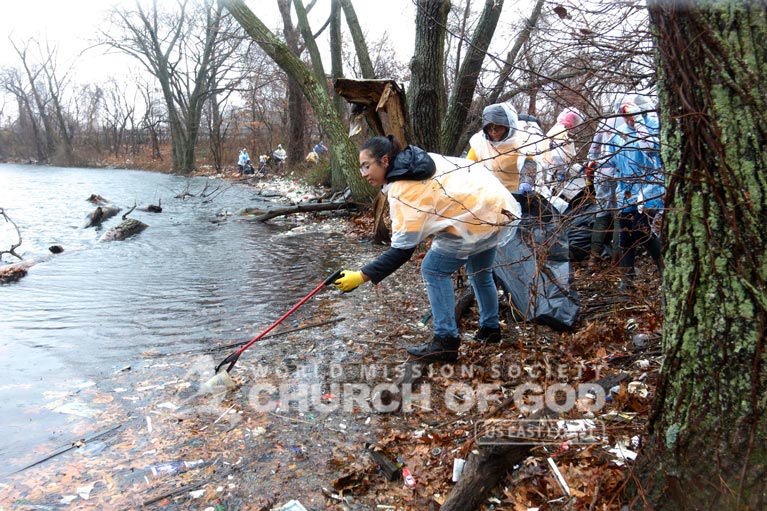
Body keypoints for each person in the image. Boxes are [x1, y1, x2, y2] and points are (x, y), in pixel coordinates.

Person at [333, 136, 521, 362]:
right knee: (480, 272)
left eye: (366, 165)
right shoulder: (417, 161)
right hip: (495, 209)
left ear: (384, 160)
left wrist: (361, 276)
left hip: (477, 214)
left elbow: (402, 250)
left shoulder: (404, 188)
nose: (363, 173)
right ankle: (491, 329)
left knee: (433, 269)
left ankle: (445, 342)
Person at [609, 97, 664, 289]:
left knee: (640, 229)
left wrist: (639, 122)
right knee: (625, 233)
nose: (627, 119)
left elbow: (649, 149)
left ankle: (664, 269)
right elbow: (610, 161)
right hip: (626, 190)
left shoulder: (653, 126)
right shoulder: (619, 134)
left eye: (630, 115)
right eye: (624, 116)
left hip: (649, 189)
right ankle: (627, 280)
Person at [466, 101, 533, 193]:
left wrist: (526, 181)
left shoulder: (520, 141)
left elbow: (529, 163)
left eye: (498, 128)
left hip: (514, 194)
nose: (493, 132)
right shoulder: (480, 143)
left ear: (508, 127)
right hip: (487, 194)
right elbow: (468, 165)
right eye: (489, 128)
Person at [586, 110, 623, 268]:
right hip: (622, 174)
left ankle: (592, 260)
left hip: (602, 173)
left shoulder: (605, 122)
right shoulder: (632, 123)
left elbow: (593, 152)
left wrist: (592, 170)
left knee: (602, 214)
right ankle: (617, 260)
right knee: (619, 216)